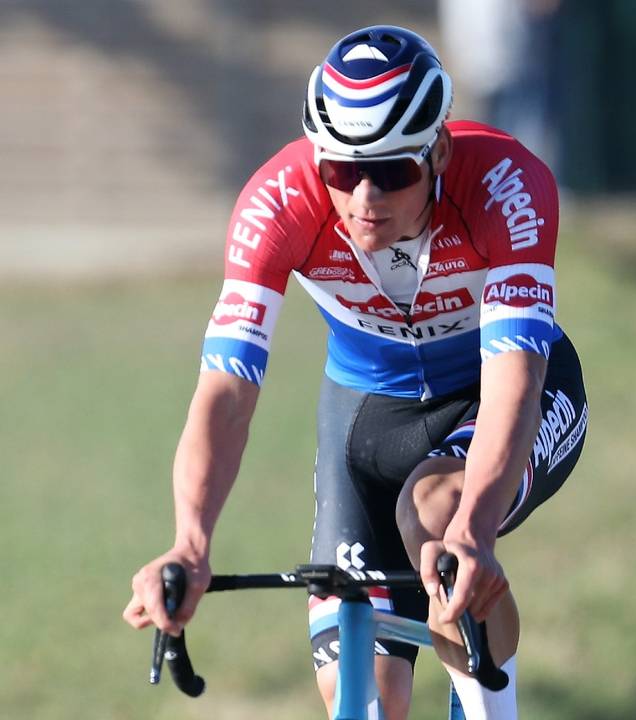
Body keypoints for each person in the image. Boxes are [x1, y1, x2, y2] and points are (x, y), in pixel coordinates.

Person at [122, 25, 588, 720]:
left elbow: (514, 379)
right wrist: (191, 540)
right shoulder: (278, 202)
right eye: (342, 171)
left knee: (438, 513)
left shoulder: (506, 184)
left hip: (502, 395)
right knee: (362, 697)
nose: (365, 196)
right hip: (368, 417)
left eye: (392, 171)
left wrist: (475, 529)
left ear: (439, 151)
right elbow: (226, 392)